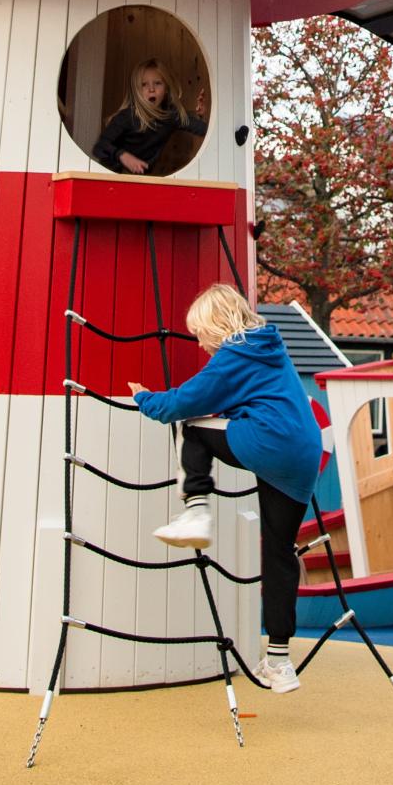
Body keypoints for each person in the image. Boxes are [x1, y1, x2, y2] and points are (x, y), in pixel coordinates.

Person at [133, 285, 325, 695]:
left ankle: (196, 509)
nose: (201, 344)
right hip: (305, 453)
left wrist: (144, 398)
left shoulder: (234, 355)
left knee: (193, 429)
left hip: (269, 443)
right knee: (279, 554)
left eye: (201, 332)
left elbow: (180, 404)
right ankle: (279, 661)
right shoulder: (271, 345)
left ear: (216, 325)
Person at [93, 59, 209, 175]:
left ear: (166, 89)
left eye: (157, 83)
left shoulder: (171, 116)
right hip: (112, 175)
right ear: (136, 91)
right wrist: (122, 155)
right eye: (144, 85)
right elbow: (99, 147)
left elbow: (204, 130)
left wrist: (201, 115)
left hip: (142, 178)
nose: (151, 89)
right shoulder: (126, 117)